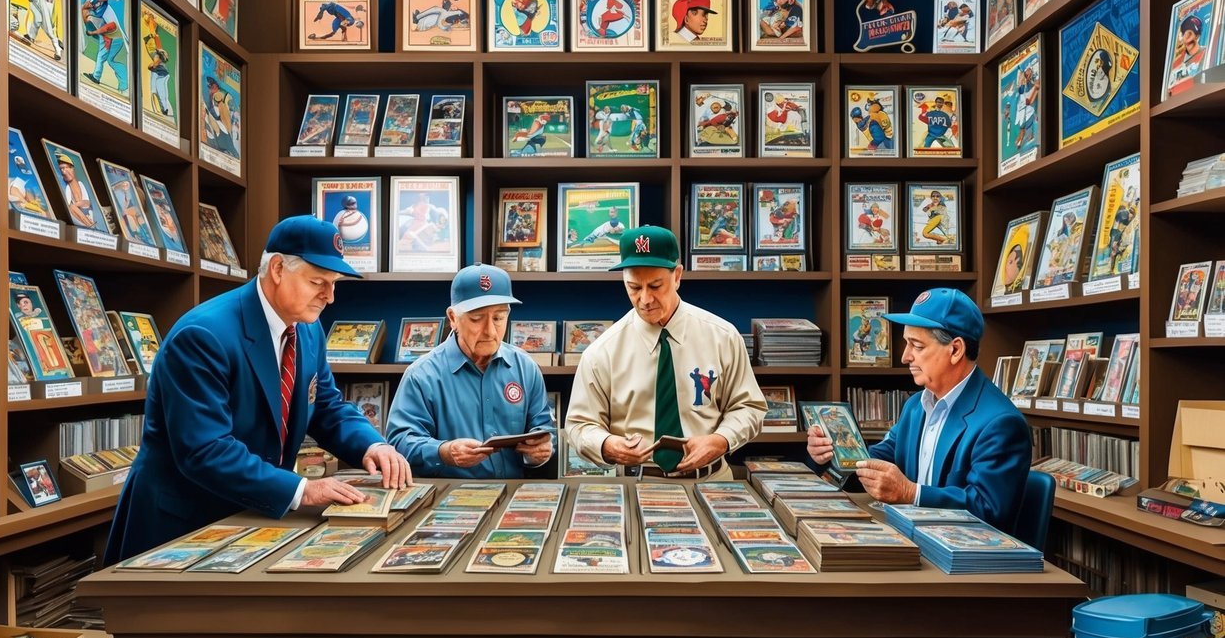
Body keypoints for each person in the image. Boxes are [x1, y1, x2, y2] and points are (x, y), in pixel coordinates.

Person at [105, 216, 412, 562]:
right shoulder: (202, 336)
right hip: (183, 526)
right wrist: (301, 490)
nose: (330, 296)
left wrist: (371, 443)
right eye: (318, 282)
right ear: (278, 269)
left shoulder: (307, 331)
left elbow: (325, 405)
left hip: (253, 520)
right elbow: (205, 450)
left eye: (334, 283)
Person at [806, 288, 1031, 532]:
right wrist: (831, 456)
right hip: (913, 540)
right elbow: (874, 468)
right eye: (906, 344)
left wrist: (910, 493)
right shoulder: (915, 406)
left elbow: (990, 512)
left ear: (955, 350)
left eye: (917, 346)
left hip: (962, 561)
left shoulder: (1001, 423)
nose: (905, 357)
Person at [564, 226, 765, 479]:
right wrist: (606, 445)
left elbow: (748, 406)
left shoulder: (722, 336)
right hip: (634, 485)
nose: (645, 299)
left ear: (677, 276)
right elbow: (578, 426)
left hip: (711, 482)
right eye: (634, 288)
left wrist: (721, 440)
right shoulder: (601, 352)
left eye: (656, 285)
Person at [386, 264, 555, 478]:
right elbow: (400, 442)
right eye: (477, 318)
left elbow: (544, 430)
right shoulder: (422, 375)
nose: (490, 331)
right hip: (448, 499)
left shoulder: (526, 367)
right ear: (453, 318)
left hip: (515, 499)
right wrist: (443, 452)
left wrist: (541, 450)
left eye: (499, 317)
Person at [81, 0, 128, 92]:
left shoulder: (105, 12)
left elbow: (105, 28)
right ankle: (124, 83)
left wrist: (92, 32)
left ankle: (96, 77)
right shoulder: (95, 1)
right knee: (109, 60)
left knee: (102, 57)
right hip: (111, 37)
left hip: (112, 38)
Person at [55, 153, 97, 229]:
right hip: (79, 218)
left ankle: (89, 224)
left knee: (73, 206)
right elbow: (69, 207)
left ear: (72, 168)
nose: (63, 172)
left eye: (65, 168)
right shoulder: (67, 188)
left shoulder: (81, 184)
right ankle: (88, 224)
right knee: (71, 207)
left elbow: (87, 202)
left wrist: (77, 204)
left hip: (87, 212)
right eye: (61, 169)